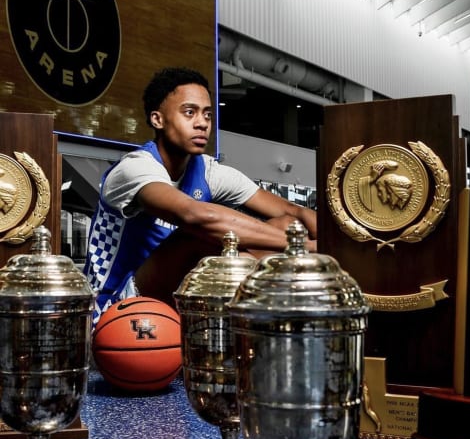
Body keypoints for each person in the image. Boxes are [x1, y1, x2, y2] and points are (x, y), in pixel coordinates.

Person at [84, 66, 317, 324]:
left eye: (207, 114)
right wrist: (303, 247)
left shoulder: (206, 170)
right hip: (118, 305)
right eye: (189, 112)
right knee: (200, 236)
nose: (202, 123)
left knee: (287, 225)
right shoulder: (135, 167)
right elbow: (195, 216)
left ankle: (283, 314)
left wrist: (335, 245)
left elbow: (293, 212)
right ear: (157, 120)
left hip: (175, 296)